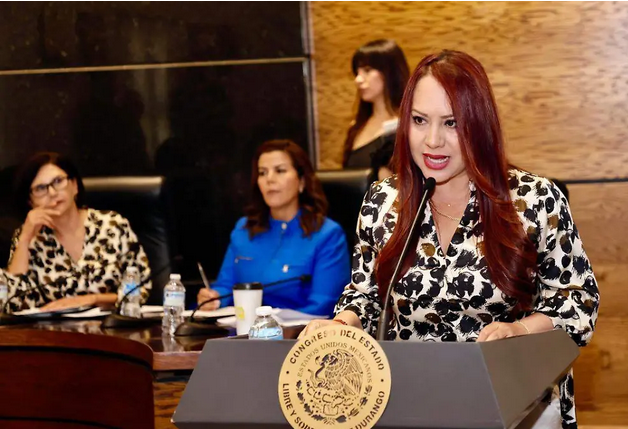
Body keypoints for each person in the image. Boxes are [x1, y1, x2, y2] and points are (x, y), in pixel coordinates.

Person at [301, 51, 600, 429]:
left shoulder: (534, 200)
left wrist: (519, 330)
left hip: (514, 401)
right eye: (419, 120)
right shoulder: (382, 201)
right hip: (410, 400)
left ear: (479, 125)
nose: (432, 141)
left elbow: (577, 301)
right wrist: (344, 322)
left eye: (451, 123)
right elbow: (367, 295)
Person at [197, 140, 350, 317]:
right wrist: (214, 299)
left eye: (280, 171)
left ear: (302, 181)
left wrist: (272, 323)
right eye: (262, 172)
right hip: (242, 330)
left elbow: (324, 305)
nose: (269, 179)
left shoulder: (328, 234)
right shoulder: (244, 229)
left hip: (303, 331)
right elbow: (225, 286)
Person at [1, 152, 152, 312]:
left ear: (74, 185)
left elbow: (141, 288)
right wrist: (25, 238)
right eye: (40, 188)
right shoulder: (30, 238)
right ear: (31, 201)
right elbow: (11, 301)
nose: (52, 193)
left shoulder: (113, 225)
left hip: (111, 324)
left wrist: (92, 299)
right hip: (53, 327)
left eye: (58, 181)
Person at [343, 39, 410, 181]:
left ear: (389, 72)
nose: (358, 79)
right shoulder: (356, 126)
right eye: (357, 72)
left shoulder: (407, 126)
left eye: (367, 70)